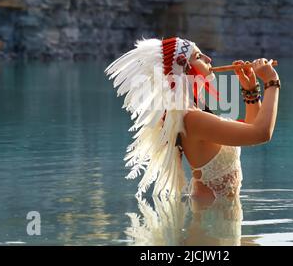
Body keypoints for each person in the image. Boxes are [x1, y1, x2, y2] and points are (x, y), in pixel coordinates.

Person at [105, 37, 280, 201]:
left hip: (216, 227)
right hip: (212, 229)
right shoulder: (193, 119)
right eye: (198, 56)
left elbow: (250, 130)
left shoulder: (191, 114)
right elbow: (261, 133)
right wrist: (272, 81)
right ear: (184, 69)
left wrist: (251, 90)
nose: (208, 58)